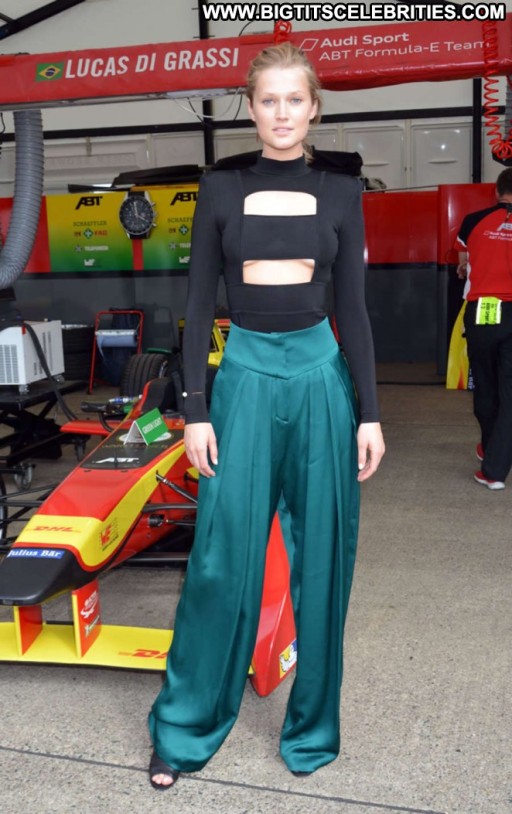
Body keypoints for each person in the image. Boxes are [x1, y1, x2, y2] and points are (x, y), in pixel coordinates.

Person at [147, 42, 385, 790]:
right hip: (244, 380)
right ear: (250, 109)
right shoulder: (220, 188)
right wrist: (195, 410)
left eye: (295, 100)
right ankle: (184, 729)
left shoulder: (341, 191)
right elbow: (195, 303)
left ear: (314, 108)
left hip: (320, 381)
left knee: (325, 559)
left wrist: (370, 414)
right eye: (268, 100)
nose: (282, 113)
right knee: (221, 557)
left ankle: (312, 730)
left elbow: (354, 310)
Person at [456, 167, 512, 490]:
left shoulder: (473, 220)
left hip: (486, 310)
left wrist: (466, 265)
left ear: (496, 191)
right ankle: (494, 464)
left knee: (486, 384)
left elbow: (464, 260)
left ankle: (492, 458)